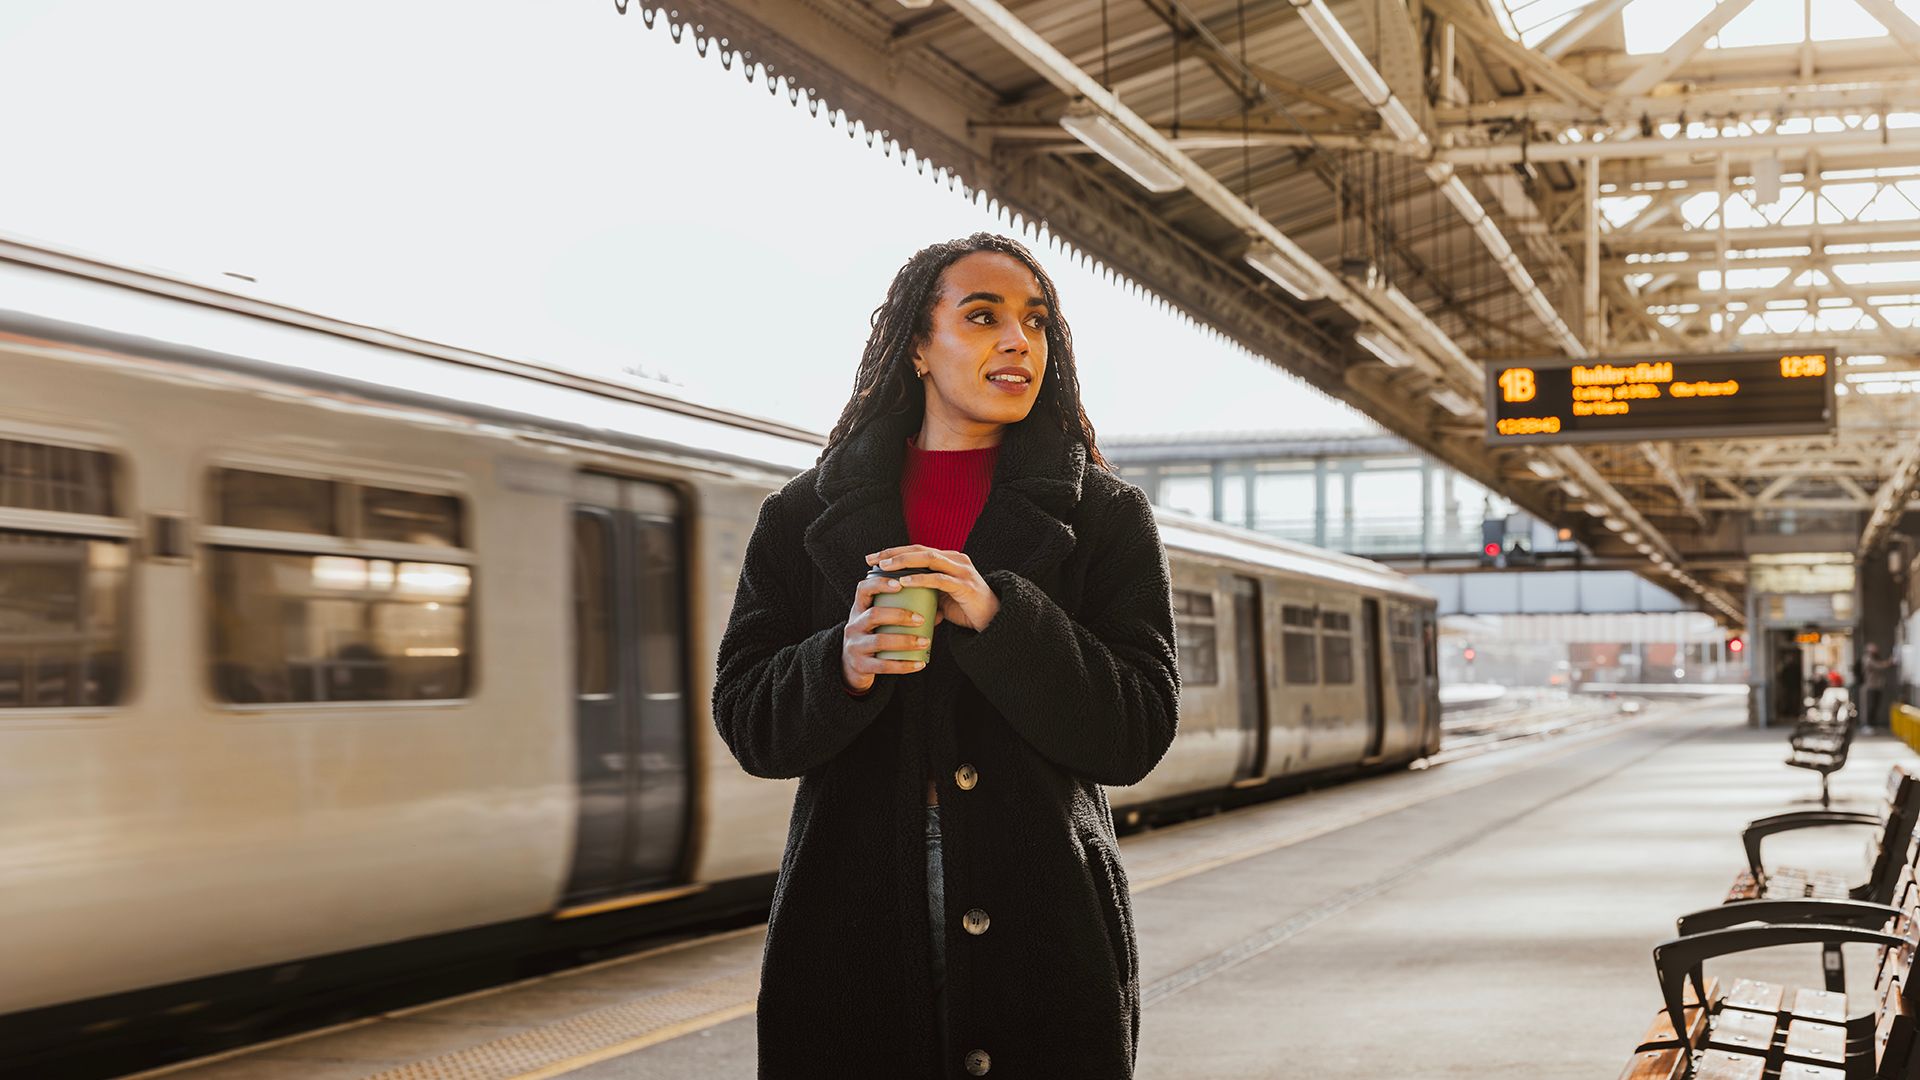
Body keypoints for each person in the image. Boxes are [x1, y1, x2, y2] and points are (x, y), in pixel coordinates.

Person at [712, 233, 1180, 1079]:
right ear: (919, 348)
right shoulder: (801, 516)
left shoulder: (1106, 517)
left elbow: (1138, 729)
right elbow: (747, 719)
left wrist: (1008, 621)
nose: (1018, 342)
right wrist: (840, 664)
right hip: (848, 918)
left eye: (1036, 323)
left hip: (1045, 918)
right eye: (982, 317)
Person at [1861, 643, 1897, 734]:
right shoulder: (1868, 658)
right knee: (1871, 706)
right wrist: (1889, 661)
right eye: (1874, 649)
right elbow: (1879, 666)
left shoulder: (1874, 658)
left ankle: (1873, 726)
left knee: (1875, 706)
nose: (1876, 651)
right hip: (1871, 686)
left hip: (1877, 686)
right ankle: (1868, 726)